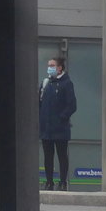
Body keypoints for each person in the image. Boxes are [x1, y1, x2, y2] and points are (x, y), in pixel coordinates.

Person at [39, 57, 77, 191]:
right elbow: (39, 103)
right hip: (46, 128)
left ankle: (62, 182)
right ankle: (49, 181)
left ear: (60, 67)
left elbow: (72, 105)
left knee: (62, 155)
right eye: (48, 65)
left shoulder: (67, 83)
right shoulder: (45, 83)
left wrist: (62, 117)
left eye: (52, 65)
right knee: (48, 156)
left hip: (60, 127)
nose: (49, 67)